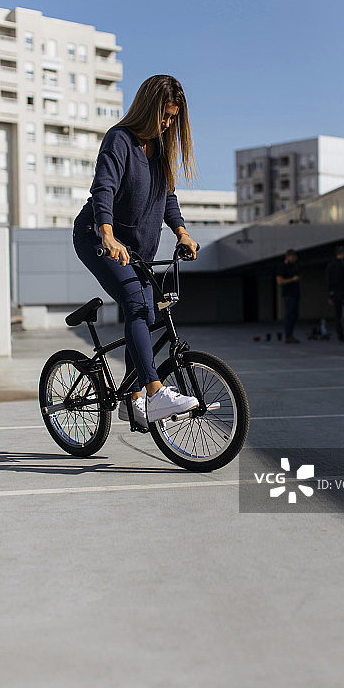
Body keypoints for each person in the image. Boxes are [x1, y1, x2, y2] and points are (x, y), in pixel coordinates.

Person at [72, 75, 200, 428]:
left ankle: (133, 400)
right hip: (97, 238)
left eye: (174, 118)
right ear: (148, 107)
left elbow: (167, 198)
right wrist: (107, 234)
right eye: (164, 115)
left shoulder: (160, 151)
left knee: (147, 313)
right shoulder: (120, 140)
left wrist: (182, 233)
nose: (168, 123)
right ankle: (156, 391)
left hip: (138, 251)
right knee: (136, 303)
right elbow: (104, 189)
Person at [276, 249, 301, 343]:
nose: (294, 259)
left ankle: (291, 335)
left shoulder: (294, 266)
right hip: (288, 294)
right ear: (288, 256)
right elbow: (279, 281)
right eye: (293, 257)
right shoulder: (282, 267)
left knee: (295, 315)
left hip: (296, 293)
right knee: (289, 315)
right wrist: (292, 279)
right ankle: (288, 336)